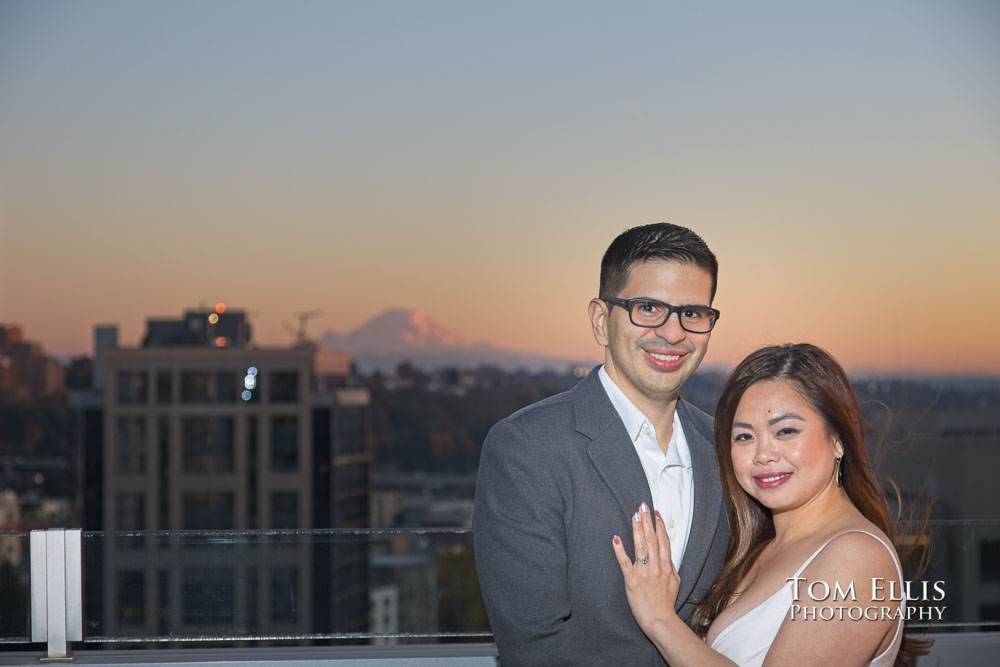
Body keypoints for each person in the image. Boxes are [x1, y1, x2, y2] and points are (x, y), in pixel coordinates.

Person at [474, 223, 730, 666]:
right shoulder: (527, 448)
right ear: (600, 320)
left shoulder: (726, 448)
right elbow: (536, 651)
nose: (673, 333)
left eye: (692, 312)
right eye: (647, 307)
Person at [613, 343, 925, 666]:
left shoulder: (859, 557)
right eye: (745, 437)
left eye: (786, 431)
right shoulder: (758, 551)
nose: (763, 455)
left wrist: (660, 621)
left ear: (838, 440)